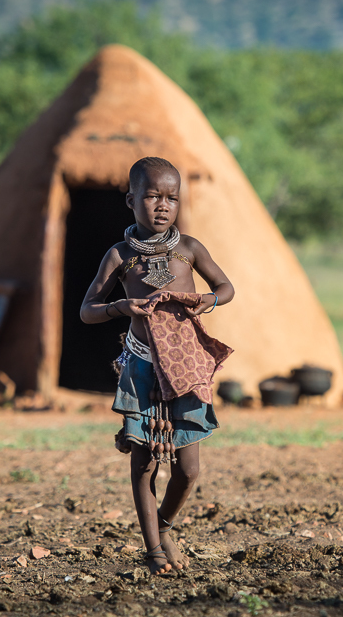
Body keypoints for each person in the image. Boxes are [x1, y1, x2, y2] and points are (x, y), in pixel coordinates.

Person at [80, 157, 235, 575]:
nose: (163, 205)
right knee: (145, 463)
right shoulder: (121, 254)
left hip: (184, 368)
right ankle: (152, 550)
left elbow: (226, 286)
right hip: (143, 366)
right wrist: (119, 306)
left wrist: (211, 299)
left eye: (171, 198)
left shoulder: (189, 249)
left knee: (188, 470)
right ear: (131, 200)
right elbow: (87, 311)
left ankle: (165, 526)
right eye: (152, 196)